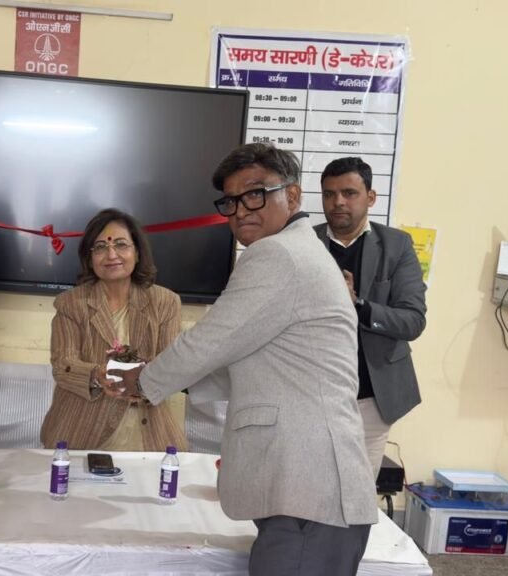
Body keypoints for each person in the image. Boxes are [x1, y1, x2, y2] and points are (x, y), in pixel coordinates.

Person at [113, 143, 376, 575]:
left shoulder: (277, 254)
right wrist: (166, 379)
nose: (240, 211)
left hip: (309, 491)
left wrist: (142, 381)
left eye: (255, 194)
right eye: (230, 201)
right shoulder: (299, 250)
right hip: (309, 490)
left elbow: (210, 340)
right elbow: (247, 356)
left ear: (292, 196)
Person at [40, 209, 188, 452]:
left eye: (121, 244)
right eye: (100, 247)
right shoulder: (71, 303)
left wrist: (141, 381)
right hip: (83, 428)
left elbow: (170, 365)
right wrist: (97, 375)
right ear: (89, 258)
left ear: (137, 253)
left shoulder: (165, 303)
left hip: (146, 428)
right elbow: (62, 365)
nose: (111, 255)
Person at [315, 157, 427, 477]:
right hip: (312, 394)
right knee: (307, 489)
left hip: (371, 398)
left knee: (359, 494)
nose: (338, 202)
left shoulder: (396, 245)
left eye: (349, 193)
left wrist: (358, 305)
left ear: (371, 197)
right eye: (329, 194)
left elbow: (412, 320)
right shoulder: (305, 243)